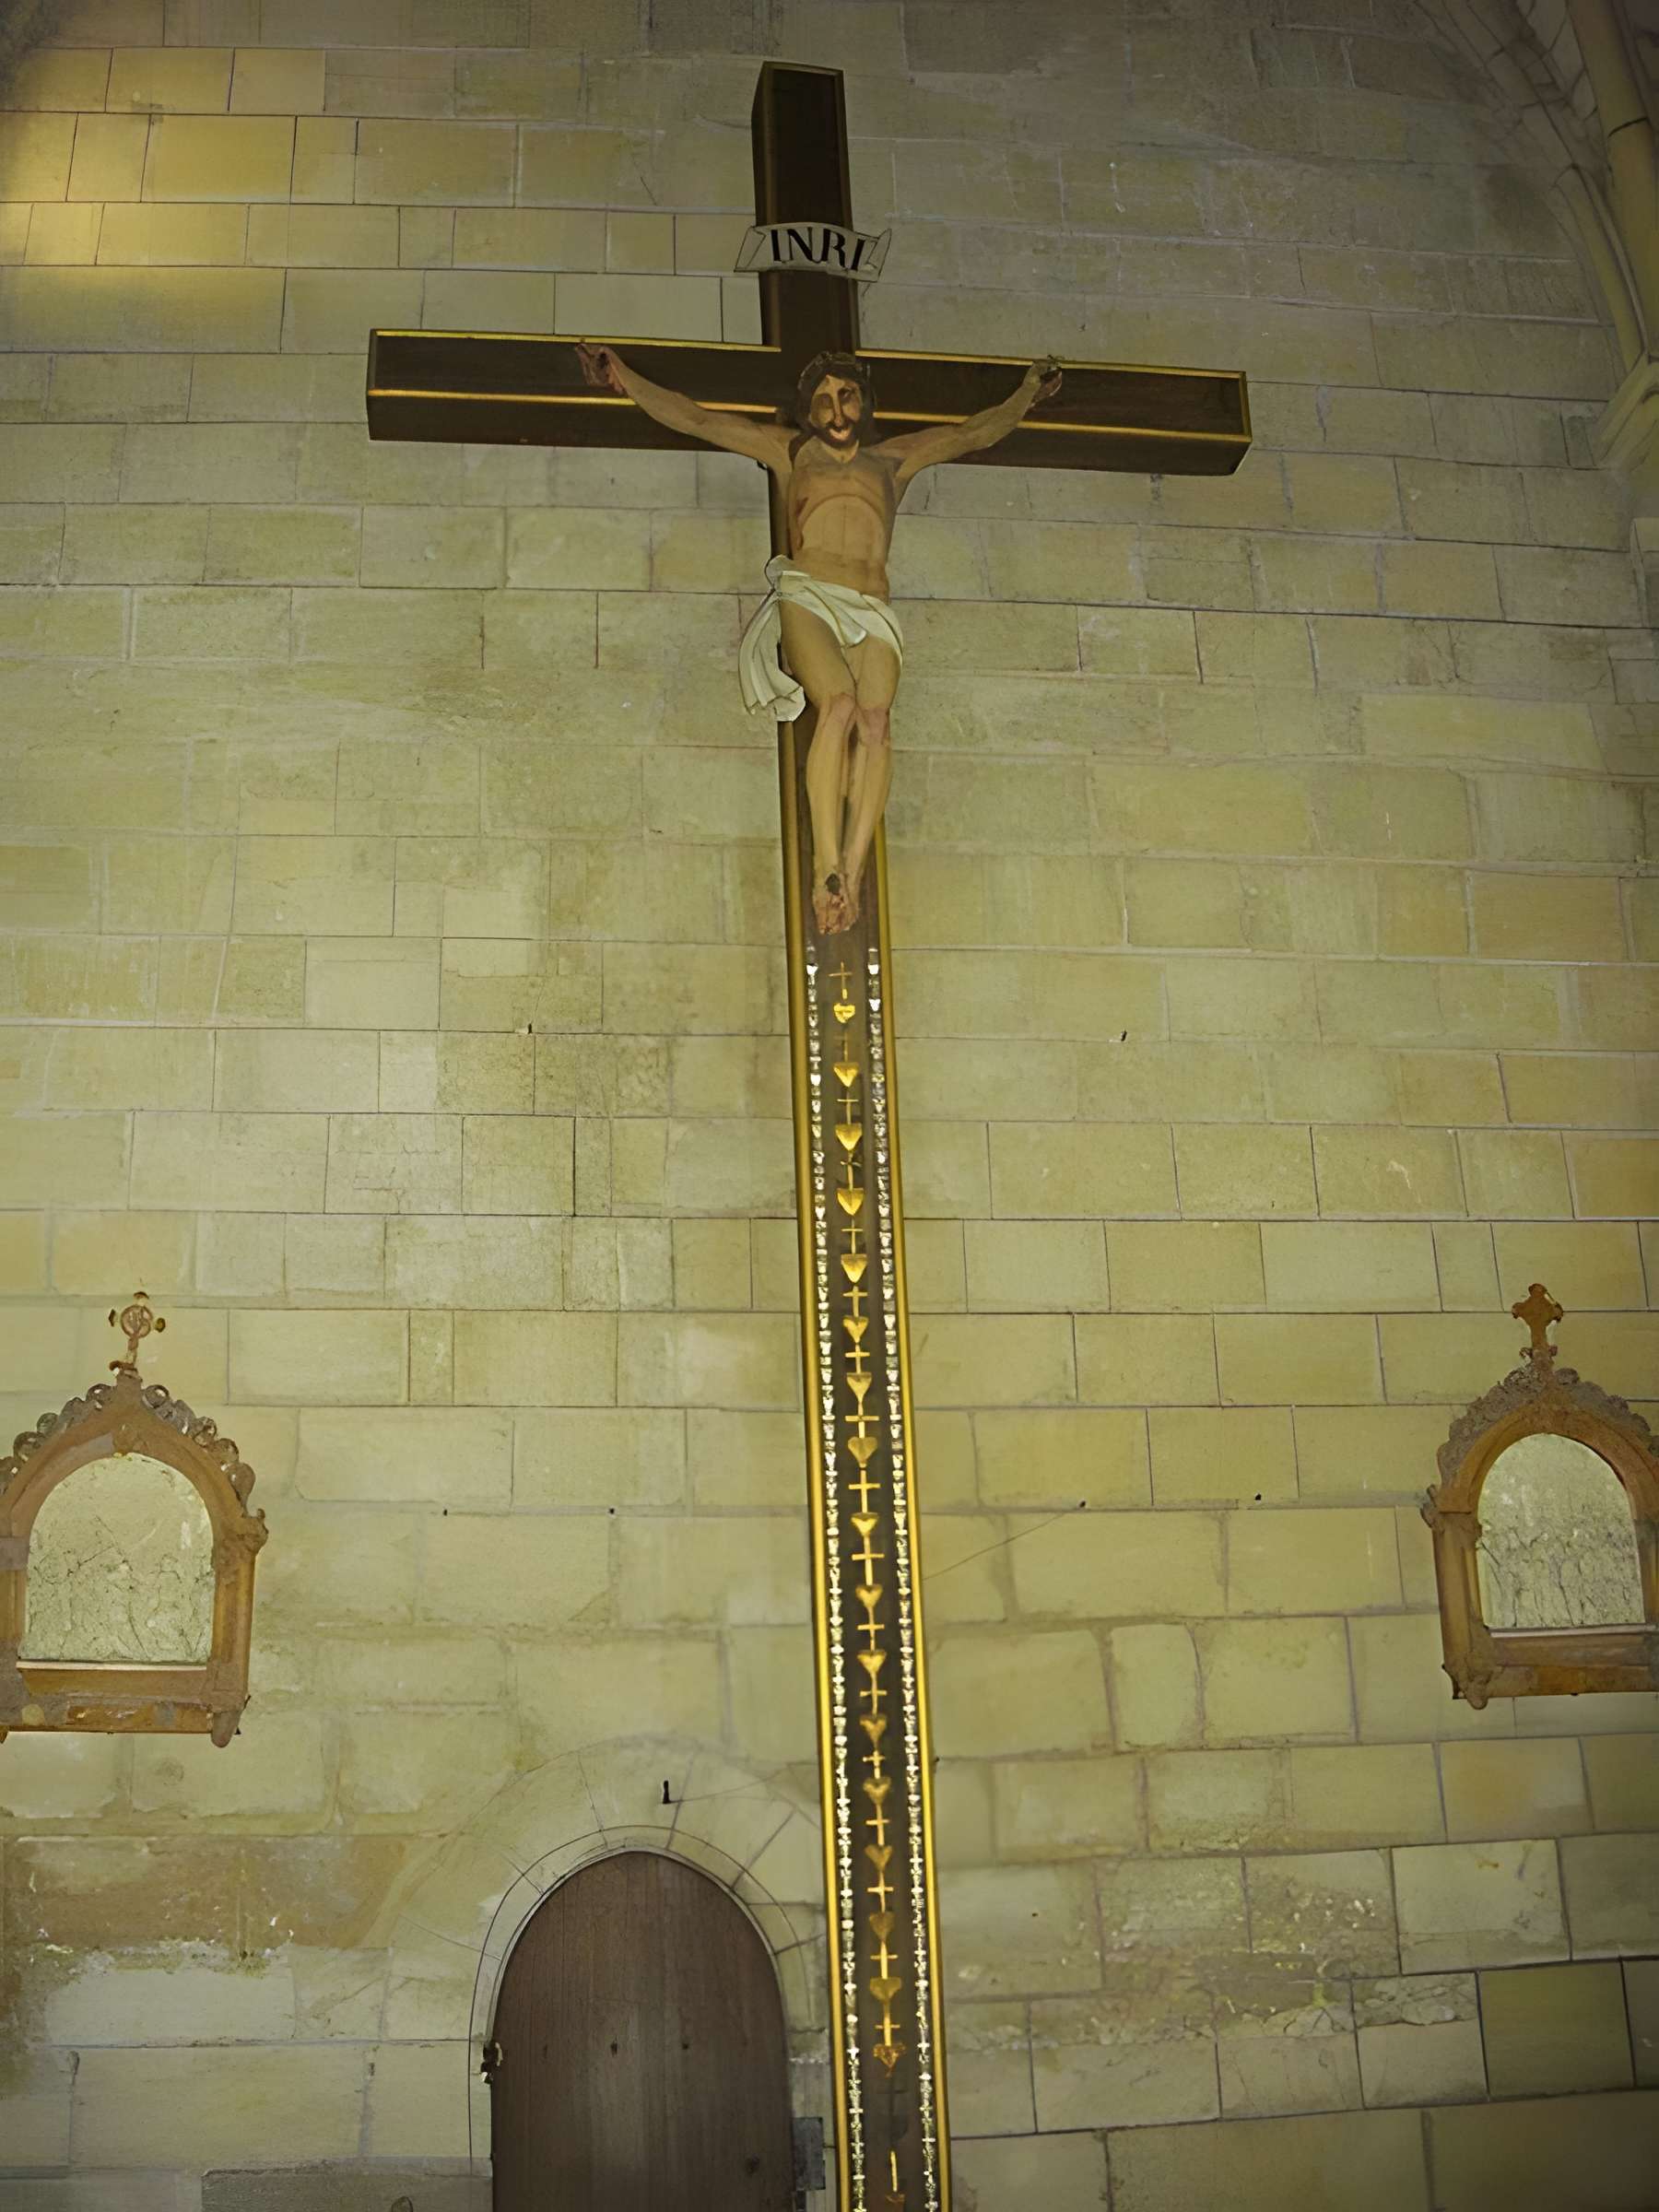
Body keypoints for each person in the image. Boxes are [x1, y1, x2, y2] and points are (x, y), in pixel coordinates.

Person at [577, 341, 1063, 934]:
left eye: (847, 395)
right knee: (836, 706)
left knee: (877, 721)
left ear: (863, 403)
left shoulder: (893, 462)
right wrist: (621, 376)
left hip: (871, 606)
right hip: (810, 595)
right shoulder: (790, 455)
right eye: (825, 399)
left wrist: (1027, 393)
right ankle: (823, 862)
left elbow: (974, 433)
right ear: (809, 409)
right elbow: (697, 418)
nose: (836, 409)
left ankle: (851, 872)